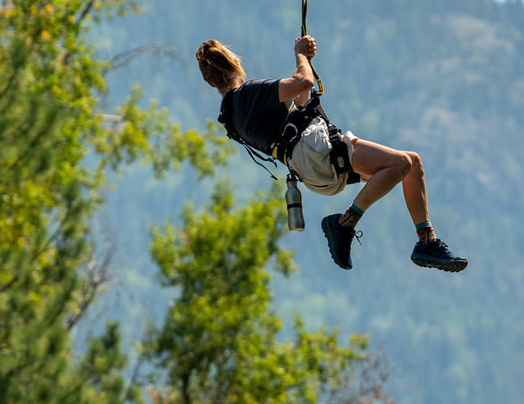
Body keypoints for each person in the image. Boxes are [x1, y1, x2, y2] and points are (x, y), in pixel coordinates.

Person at [196, 36, 467, 272]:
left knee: (412, 164)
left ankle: (427, 240)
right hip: (315, 150)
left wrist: (305, 61)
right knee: (400, 163)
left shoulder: (232, 114)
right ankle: (345, 224)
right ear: (235, 64)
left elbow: (299, 99)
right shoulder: (246, 94)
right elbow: (303, 83)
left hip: (310, 162)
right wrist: (300, 55)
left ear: (210, 83)